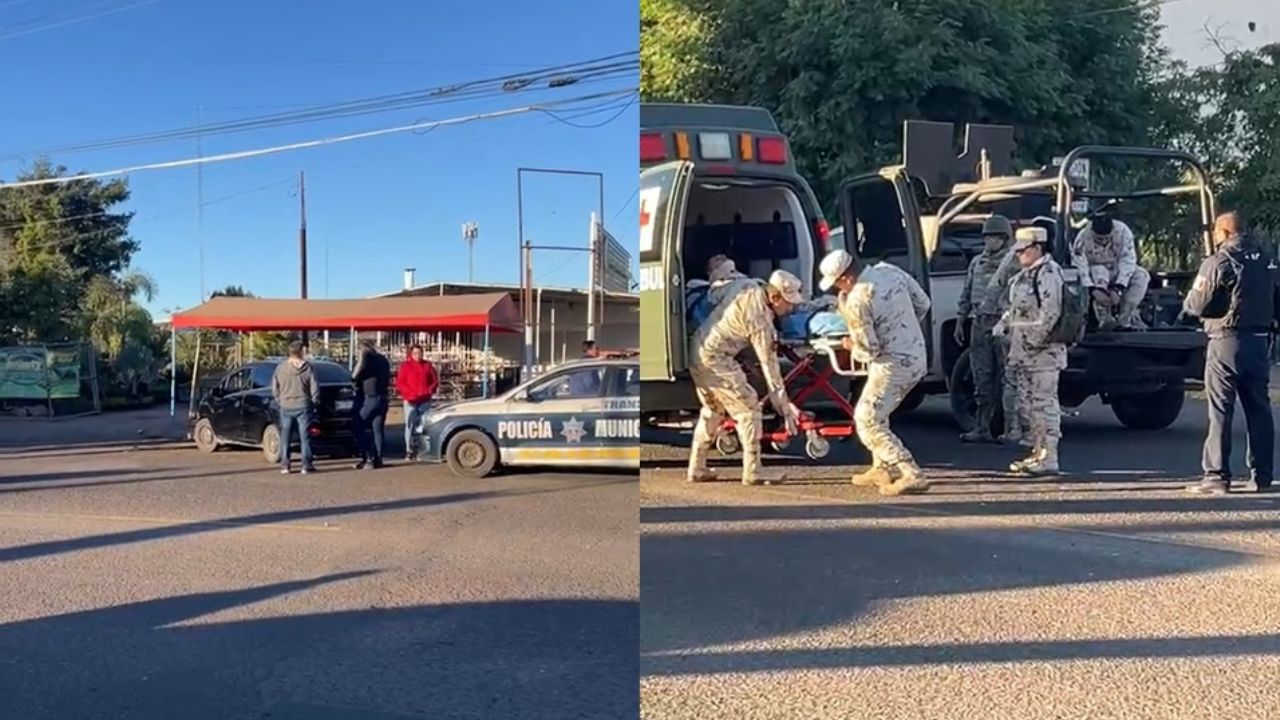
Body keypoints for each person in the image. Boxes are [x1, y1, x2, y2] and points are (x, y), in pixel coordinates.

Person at [820, 249, 931, 496]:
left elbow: (867, 350)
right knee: (879, 410)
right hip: (915, 352)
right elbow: (923, 303)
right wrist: (902, 329)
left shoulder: (858, 299)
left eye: (837, 284)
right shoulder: (890, 271)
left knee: (867, 419)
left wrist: (849, 344)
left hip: (892, 363)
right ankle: (881, 467)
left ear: (846, 278)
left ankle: (910, 471)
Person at [1182, 212, 1278, 495]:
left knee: (1221, 409)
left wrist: (1187, 309)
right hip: (1260, 342)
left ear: (1223, 233)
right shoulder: (1268, 261)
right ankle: (1262, 476)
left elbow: (1198, 303)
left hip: (1226, 341)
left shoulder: (1219, 261)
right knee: (1259, 409)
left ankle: (1216, 476)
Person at [687, 269, 803, 486]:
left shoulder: (747, 284)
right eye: (788, 303)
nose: (790, 308)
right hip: (717, 359)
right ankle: (753, 471)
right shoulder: (761, 320)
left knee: (712, 410)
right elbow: (770, 367)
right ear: (775, 297)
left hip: (697, 350)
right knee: (749, 408)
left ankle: (697, 467)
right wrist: (783, 406)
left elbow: (713, 295)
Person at [994, 227, 1067, 476]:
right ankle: (1039, 453)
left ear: (1037, 248)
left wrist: (1032, 341)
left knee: (1044, 405)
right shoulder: (1026, 275)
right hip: (1025, 355)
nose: (1018, 256)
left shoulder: (1048, 273)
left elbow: (1051, 313)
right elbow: (1020, 309)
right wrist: (1003, 325)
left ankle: (1049, 457)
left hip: (1043, 355)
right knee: (1030, 407)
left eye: (1023, 251)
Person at [955, 215, 1017, 443]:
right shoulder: (977, 262)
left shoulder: (1013, 263)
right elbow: (967, 291)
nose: (990, 241)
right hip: (979, 323)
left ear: (1004, 238)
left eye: (995, 237)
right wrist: (961, 319)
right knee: (981, 377)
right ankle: (981, 427)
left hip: (1003, 324)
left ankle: (1011, 429)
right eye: (987, 237)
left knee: (1008, 379)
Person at [984, 244, 1031, 445]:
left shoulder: (1014, 258)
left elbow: (996, 286)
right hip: (1030, 331)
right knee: (1031, 384)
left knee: (1011, 380)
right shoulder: (1047, 267)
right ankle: (1028, 431)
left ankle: (1012, 429)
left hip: (1012, 326)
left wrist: (987, 314)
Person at [1071, 214, 1150, 331]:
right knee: (1100, 271)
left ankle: (1125, 319)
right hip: (1095, 275)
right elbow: (1080, 266)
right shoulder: (1082, 238)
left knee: (1142, 275)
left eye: (1106, 238)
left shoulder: (1123, 232)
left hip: (1117, 270)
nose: (1103, 241)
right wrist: (1093, 289)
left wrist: (1119, 287)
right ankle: (1104, 318)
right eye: (1099, 239)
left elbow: (1128, 260)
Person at [271, 340, 320, 475]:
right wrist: (314, 401)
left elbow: (275, 387)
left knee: (285, 436)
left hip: (286, 406)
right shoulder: (308, 368)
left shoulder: (280, 368)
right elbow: (314, 387)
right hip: (304, 405)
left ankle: (285, 465)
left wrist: (279, 400)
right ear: (301, 352)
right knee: (305, 437)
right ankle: (306, 465)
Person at [351, 338, 391, 469]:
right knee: (377, 430)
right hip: (382, 397)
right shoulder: (383, 359)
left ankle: (367, 457)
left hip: (370, 397)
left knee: (358, 427)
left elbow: (355, 375)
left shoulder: (366, 357)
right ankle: (378, 458)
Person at [394, 344, 439, 462]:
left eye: (419, 353)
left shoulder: (427, 365)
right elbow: (400, 382)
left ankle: (423, 449)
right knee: (410, 425)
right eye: (415, 353)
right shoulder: (405, 366)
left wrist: (430, 390)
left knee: (424, 425)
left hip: (424, 399)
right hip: (410, 400)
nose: (417, 356)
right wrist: (408, 393)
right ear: (411, 354)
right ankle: (409, 450)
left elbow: (434, 380)